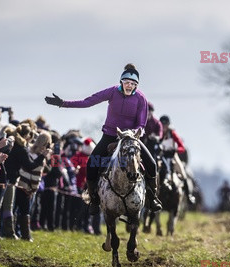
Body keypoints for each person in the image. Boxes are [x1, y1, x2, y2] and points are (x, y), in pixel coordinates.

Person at [45, 63, 162, 214]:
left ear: (136, 85)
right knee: (92, 163)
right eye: (127, 82)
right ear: (121, 82)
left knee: (152, 164)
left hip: (130, 138)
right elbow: (88, 102)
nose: (129, 86)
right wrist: (63, 103)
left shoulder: (141, 98)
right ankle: (94, 199)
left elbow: (141, 124)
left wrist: (132, 133)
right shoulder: (112, 92)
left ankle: (152, 199)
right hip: (110, 135)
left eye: (133, 84)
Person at [159, 115, 195, 205]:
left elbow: (182, 147)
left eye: (165, 124)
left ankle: (189, 195)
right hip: (160, 156)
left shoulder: (172, 133)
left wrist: (175, 149)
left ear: (168, 125)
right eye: (162, 125)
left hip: (172, 156)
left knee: (183, 173)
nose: (164, 127)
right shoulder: (157, 133)